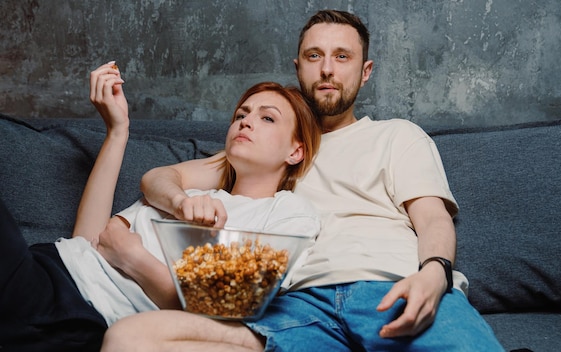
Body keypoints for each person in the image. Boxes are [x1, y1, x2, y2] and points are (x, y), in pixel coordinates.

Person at [101, 9, 505, 352]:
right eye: (315, 55)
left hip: (388, 287)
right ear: (298, 68)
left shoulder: (397, 135)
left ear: (365, 72)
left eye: (342, 56)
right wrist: (177, 203)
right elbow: (159, 178)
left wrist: (435, 273)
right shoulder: (269, 146)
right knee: (131, 338)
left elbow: (433, 218)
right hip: (292, 307)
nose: (327, 68)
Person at [0, 60, 321, 352]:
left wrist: (132, 256)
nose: (246, 122)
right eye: (241, 114)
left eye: (267, 118)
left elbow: (218, 311)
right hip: (48, 265)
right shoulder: (190, 193)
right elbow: (88, 242)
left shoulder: (287, 213)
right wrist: (117, 131)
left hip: (80, 313)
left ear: (296, 152)